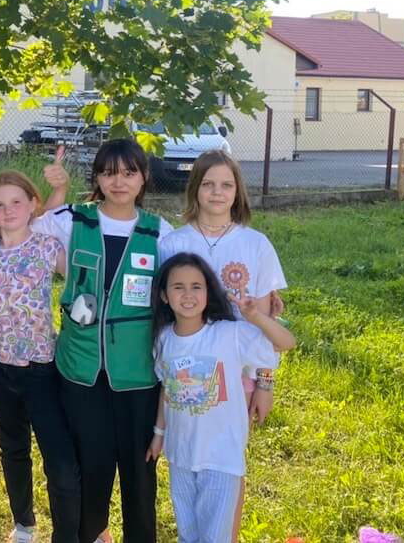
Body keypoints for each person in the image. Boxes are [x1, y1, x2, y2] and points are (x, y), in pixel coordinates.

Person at [30, 138, 173, 543]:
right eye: (109, 173)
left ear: (144, 178)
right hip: (80, 370)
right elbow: (25, 229)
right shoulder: (73, 219)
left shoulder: (161, 233)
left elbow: (192, 284)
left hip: (138, 375)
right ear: (96, 177)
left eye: (129, 172)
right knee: (90, 467)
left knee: (138, 472)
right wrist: (56, 192)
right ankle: (91, 534)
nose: (119, 182)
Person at [157, 150, 287, 540]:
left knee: (228, 466)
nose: (217, 192)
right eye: (208, 184)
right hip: (184, 370)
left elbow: (265, 321)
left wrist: (265, 382)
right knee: (191, 464)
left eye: (226, 185)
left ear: (237, 192)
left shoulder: (255, 244)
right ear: (194, 189)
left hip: (238, 371)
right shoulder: (173, 240)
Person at [145, 253, 295, 543]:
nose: (188, 295)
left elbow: (286, 343)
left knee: (216, 537)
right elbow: (167, 388)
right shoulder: (163, 339)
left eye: (196, 286)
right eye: (178, 287)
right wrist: (158, 433)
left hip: (221, 458)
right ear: (164, 295)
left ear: (208, 292)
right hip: (181, 457)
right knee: (188, 535)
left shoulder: (230, 334)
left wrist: (254, 316)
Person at [0, 169, 81, 543]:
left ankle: (68, 533)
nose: (8, 211)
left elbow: (83, 279)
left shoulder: (46, 246)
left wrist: (60, 189)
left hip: (41, 366)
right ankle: (23, 522)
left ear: (33, 206)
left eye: (17, 202)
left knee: (59, 457)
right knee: (13, 446)